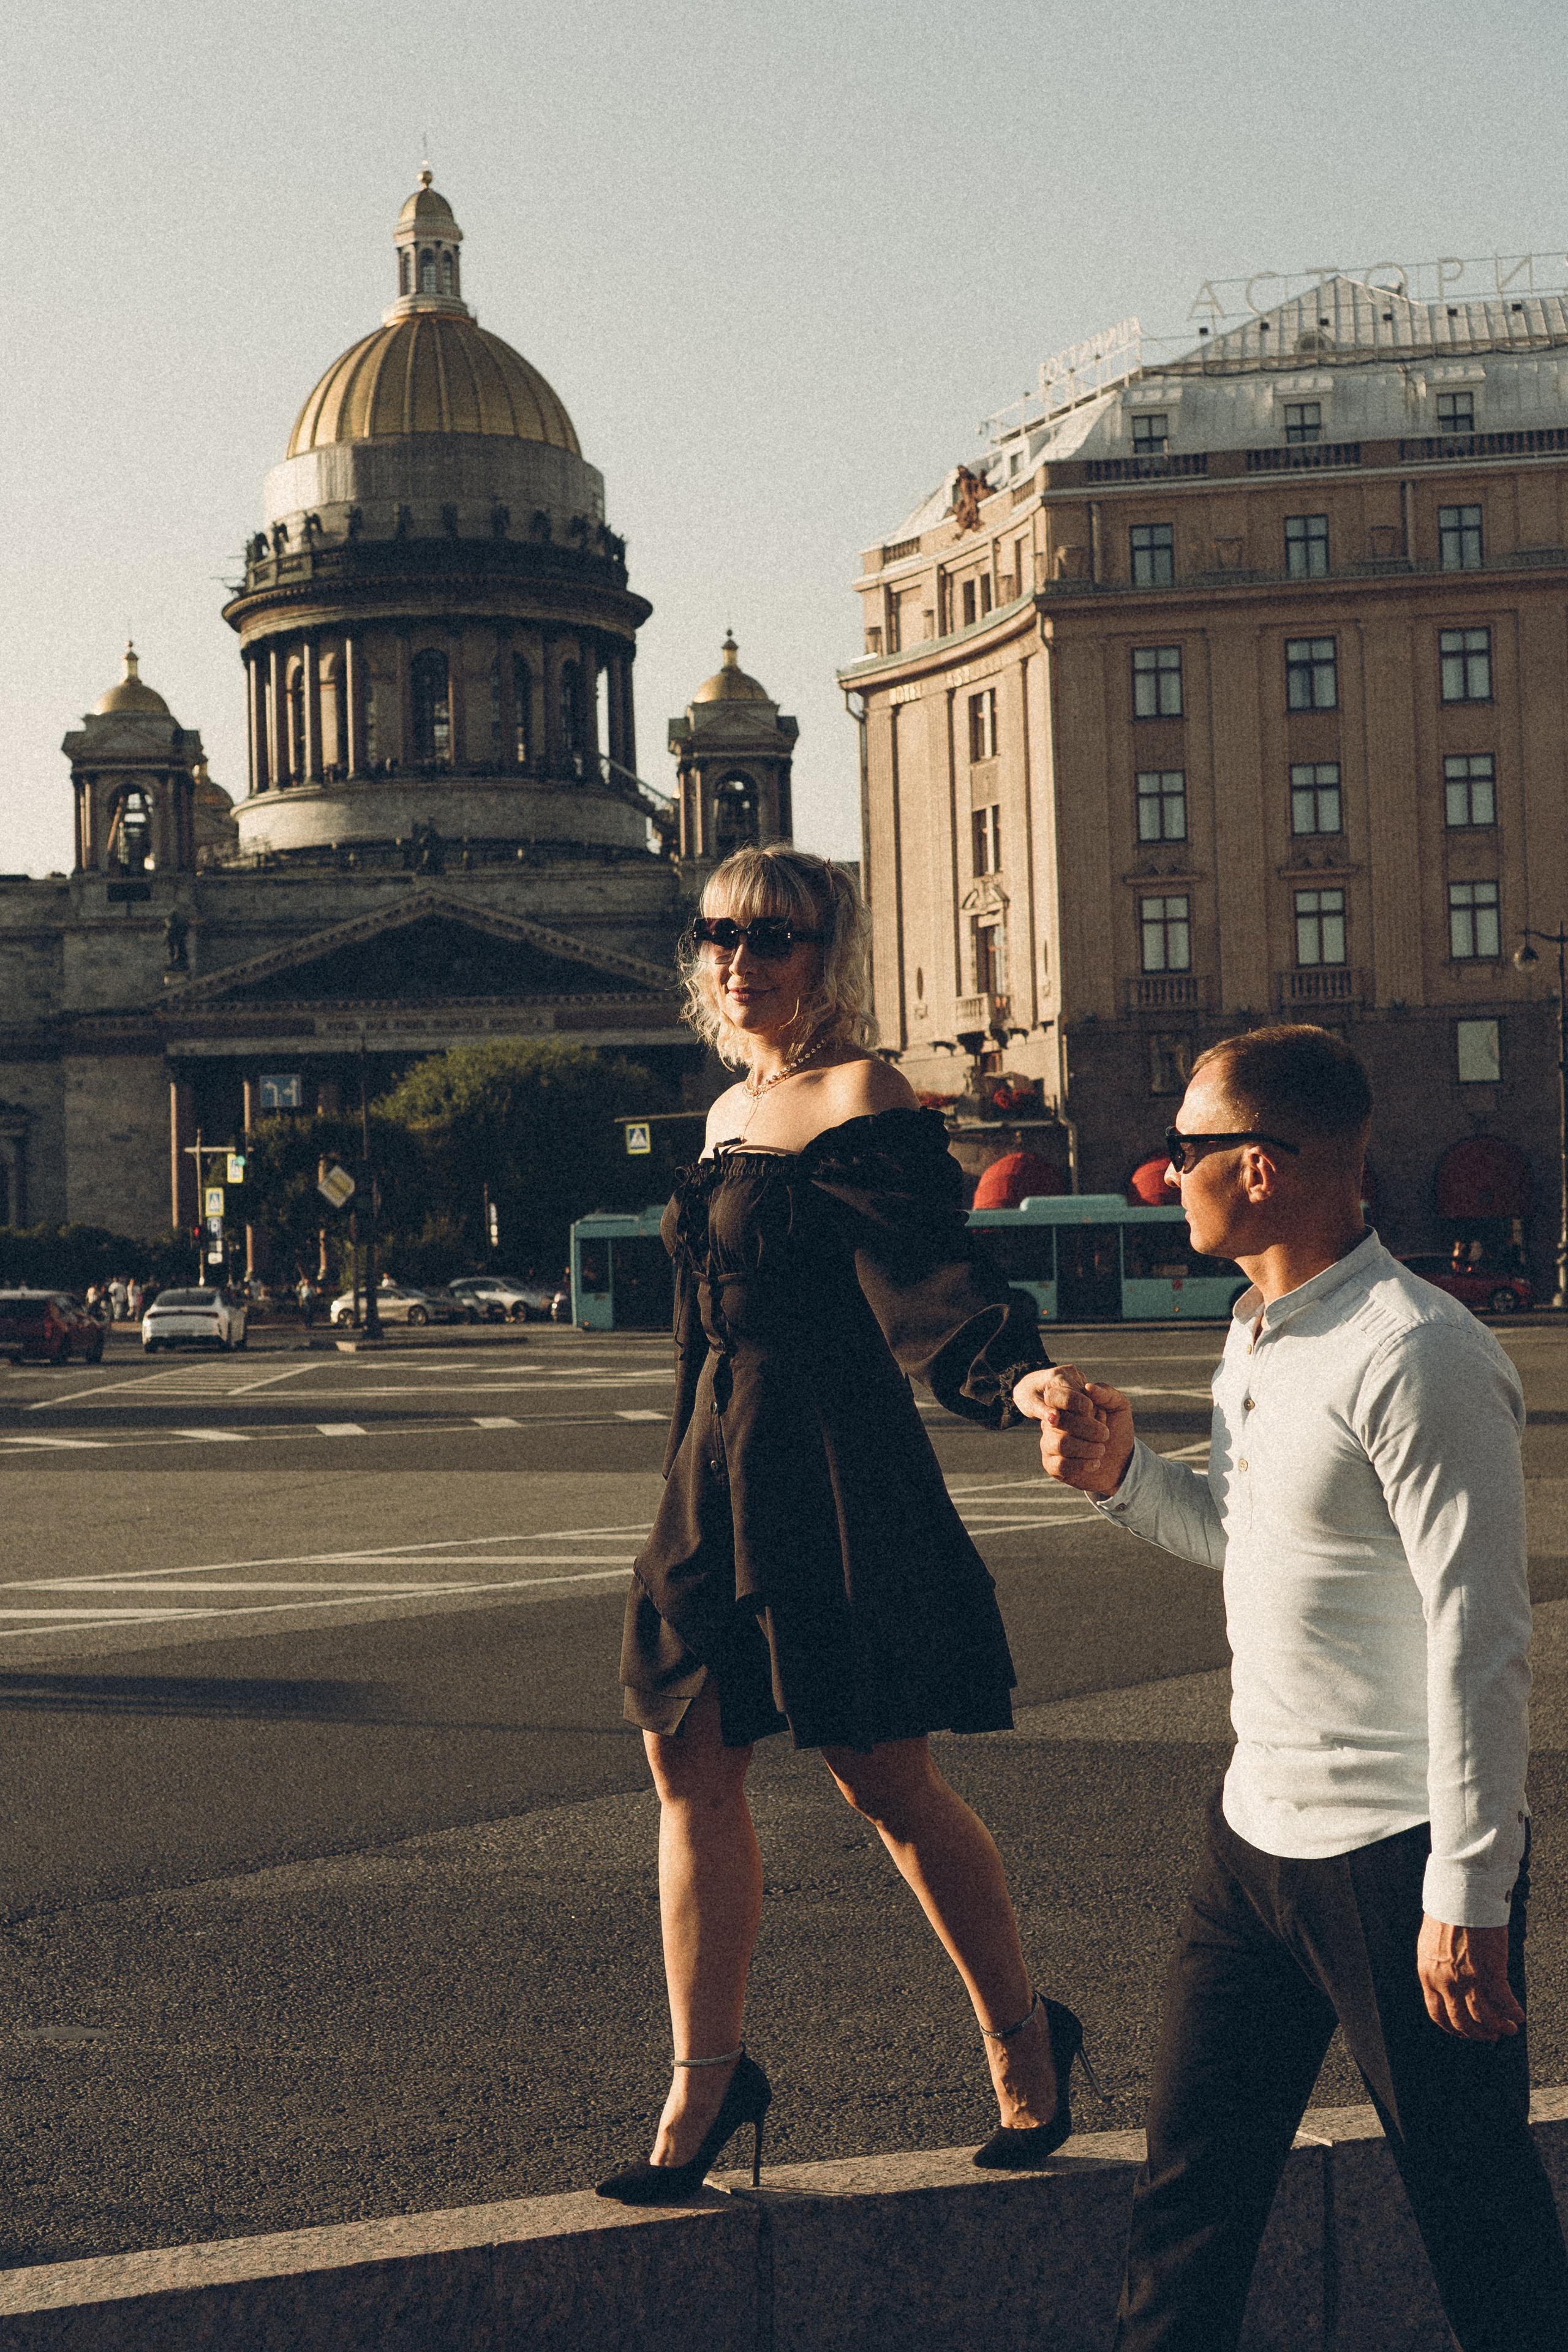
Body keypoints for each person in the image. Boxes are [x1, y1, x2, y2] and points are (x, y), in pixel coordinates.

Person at [1019, 1025, 1568, 2352]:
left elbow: (1479, 1635)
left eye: (1184, 1151)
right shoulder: (1258, 1331)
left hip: (1396, 1860)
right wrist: (1122, 1483)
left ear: (1258, 1168)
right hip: (1251, 1841)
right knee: (1184, 2212)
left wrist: (1467, 1891)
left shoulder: (1416, 1354)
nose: (1166, 1176)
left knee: (1478, 2222)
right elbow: (1251, 1540)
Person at [595, 845, 1096, 2208]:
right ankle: (702, 2088)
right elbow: (701, 1332)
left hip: (828, 1466)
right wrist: (674, 1497)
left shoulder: (857, 1095)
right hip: (714, 1465)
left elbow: (925, 1272)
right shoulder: (718, 1115)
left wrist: (1013, 1372)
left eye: (775, 938)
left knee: (880, 1779)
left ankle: (1022, 2042)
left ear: (829, 954)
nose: (739, 963)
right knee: (684, 1758)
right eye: (717, 936)